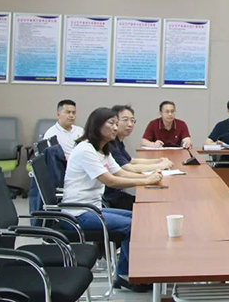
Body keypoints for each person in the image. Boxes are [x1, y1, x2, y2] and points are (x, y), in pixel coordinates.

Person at [63, 107, 163, 292]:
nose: (116, 128)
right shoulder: (86, 149)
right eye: (111, 123)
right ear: (97, 125)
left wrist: (147, 178)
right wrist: (146, 180)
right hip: (78, 214)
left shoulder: (103, 149)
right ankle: (126, 275)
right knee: (133, 225)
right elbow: (110, 180)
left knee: (138, 217)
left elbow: (120, 172)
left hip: (93, 208)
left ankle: (130, 270)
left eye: (117, 124)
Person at [104, 104, 175, 210]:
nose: (130, 124)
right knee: (150, 207)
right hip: (109, 198)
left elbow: (131, 161)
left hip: (116, 193)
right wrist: (157, 168)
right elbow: (127, 168)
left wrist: (157, 161)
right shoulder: (109, 144)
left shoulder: (118, 141)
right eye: (125, 120)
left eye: (132, 121)